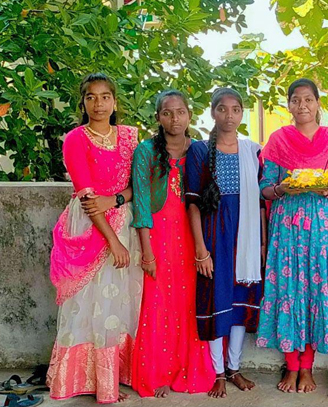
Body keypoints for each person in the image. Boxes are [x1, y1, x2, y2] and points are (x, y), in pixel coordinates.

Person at [46, 73, 143, 404]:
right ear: (83, 102)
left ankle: (119, 374)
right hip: (90, 226)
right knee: (89, 303)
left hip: (124, 221)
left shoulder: (131, 138)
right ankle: (93, 382)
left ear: (115, 102)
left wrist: (116, 202)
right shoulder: (75, 139)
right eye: (91, 97)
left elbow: (138, 187)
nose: (98, 103)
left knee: (122, 301)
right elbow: (87, 196)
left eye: (105, 97)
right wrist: (112, 241)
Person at [257, 78, 328, 393]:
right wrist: (280, 189)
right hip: (287, 226)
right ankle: (291, 366)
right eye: (296, 100)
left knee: (315, 291)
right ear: (289, 105)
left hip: (323, 228)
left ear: (317, 104)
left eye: (308, 100)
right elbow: (266, 186)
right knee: (288, 291)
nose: (302, 106)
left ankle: (307, 368)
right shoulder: (278, 140)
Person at [130, 90, 215, 397]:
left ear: (189, 115)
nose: (174, 118)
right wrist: (147, 253)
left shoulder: (201, 151)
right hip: (158, 237)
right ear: (158, 118)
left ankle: (186, 369)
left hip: (192, 236)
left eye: (180, 112)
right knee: (157, 302)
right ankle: (157, 374)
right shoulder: (146, 152)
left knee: (187, 303)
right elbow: (140, 204)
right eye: (167, 113)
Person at [185, 88, 266, 397]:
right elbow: (192, 203)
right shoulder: (200, 151)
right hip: (215, 233)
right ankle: (217, 371)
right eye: (222, 109)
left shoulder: (252, 151)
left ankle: (234, 368)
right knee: (215, 298)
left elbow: (259, 201)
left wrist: (261, 243)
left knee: (239, 301)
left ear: (241, 114)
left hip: (245, 236)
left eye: (235, 109)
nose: (229, 115)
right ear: (212, 112)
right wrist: (201, 249)